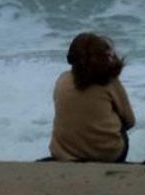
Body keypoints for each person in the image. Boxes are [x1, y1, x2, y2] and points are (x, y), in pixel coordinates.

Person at [49, 32, 136, 163]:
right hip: (108, 155)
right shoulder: (109, 82)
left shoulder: (62, 79)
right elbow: (130, 121)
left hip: (64, 154)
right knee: (120, 121)